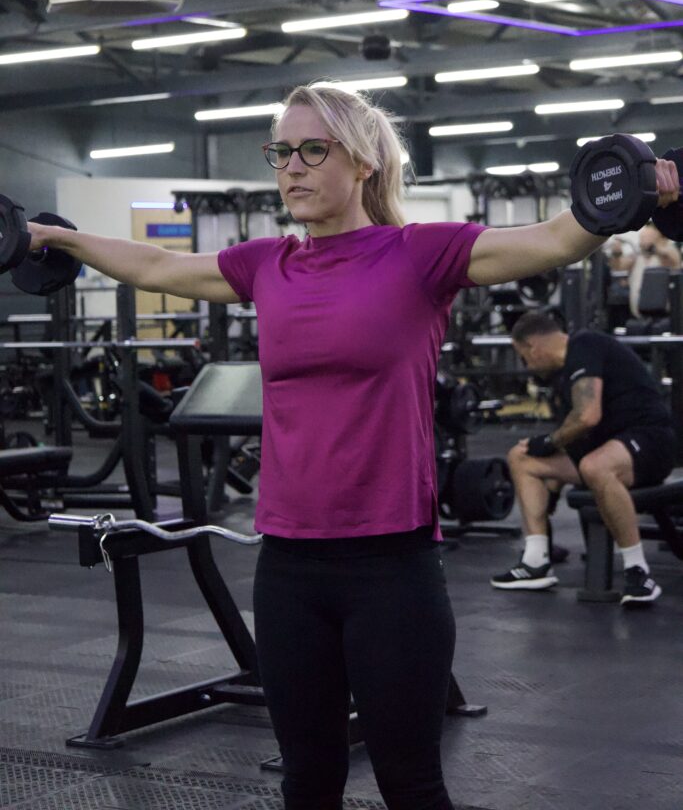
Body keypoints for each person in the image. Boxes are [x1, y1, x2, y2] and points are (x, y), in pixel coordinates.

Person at [22, 83, 679, 810]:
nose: (292, 168)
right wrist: (61, 241)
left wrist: (639, 191)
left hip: (390, 568)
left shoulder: (420, 254)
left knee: (411, 785)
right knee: (307, 782)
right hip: (287, 568)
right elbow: (153, 266)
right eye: (280, 153)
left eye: (313, 150)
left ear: (363, 162)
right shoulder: (265, 264)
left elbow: (554, 238)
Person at [491, 310, 677, 604]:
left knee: (595, 466)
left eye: (524, 357)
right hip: (608, 450)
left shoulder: (584, 345)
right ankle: (536, 561)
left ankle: (638, 572)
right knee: (521, 457)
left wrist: (548, 442)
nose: (528, 366)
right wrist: (549, 477)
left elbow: (588, 416)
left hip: (652, 444)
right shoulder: (562, 374)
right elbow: (574, 434)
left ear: (533, 348)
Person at [608, 222, 681, 318]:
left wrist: (654, 246)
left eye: (647, 236)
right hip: (640, 317)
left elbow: (673, 260)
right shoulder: (637, 257)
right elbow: (618, 266)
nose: (643, 239)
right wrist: (616, 253)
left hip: (664, 317)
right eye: (642, 237)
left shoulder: (667, 252)